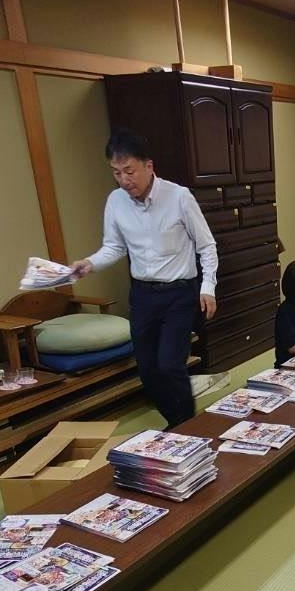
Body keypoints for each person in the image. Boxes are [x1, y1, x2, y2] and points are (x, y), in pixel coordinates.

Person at [71, 129, 218, 427]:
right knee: (148, 370)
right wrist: (89, 263)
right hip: (142, 296)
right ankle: (179, 423)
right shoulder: (116, 201)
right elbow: (114, 246)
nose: (124, 180)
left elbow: (206, 246)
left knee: (170, 365)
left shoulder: (179, 197)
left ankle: (186, 428)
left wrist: (208, 287)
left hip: (179, 294)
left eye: (129, 171)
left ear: (148, 166)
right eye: (116, 173)